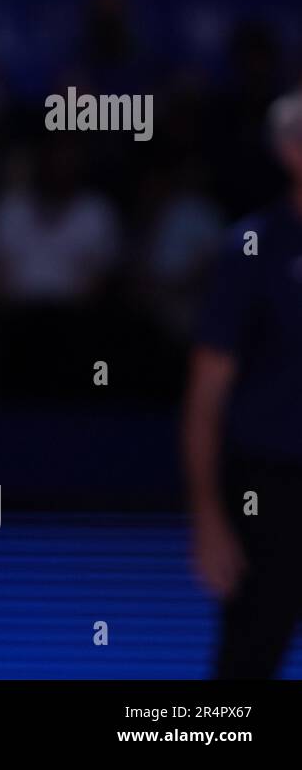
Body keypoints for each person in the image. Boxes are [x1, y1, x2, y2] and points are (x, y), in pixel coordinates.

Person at [184, 88, 302, 679]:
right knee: (247, 665)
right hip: (271, 492)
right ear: (290, 151)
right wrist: (208, 517)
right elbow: (206, 397)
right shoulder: (252, 250)